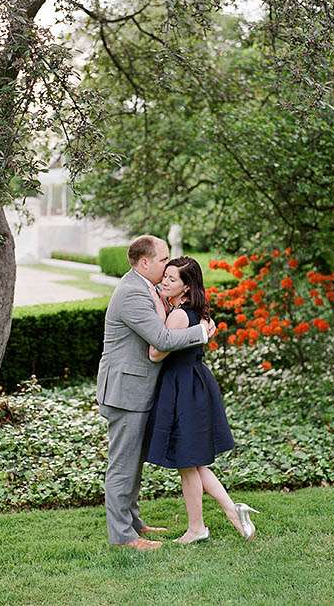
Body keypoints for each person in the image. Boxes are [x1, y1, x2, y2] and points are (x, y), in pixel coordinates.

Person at [96, 235, 216, 551]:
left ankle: (134, 523)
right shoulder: (132, 293)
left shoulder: (145, 287)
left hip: (137, 389)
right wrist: (201, 332)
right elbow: (161, 339)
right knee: (122, 466)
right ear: (145, 262)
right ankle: (123, 537)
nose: (167, 267)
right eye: (163, 260)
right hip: (125, 392)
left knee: (132, 463)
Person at [144, 257, 258, 544]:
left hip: (181, 386)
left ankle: (197, 528)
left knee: (187, 462)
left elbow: (155, 353)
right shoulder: (198, 312)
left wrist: (162, 318)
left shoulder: (179, 315)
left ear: (186, 287)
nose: (165, 282)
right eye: (165, 277)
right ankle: (234, 511)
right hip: (195, 382)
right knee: (194, 463)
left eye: (172, 279)